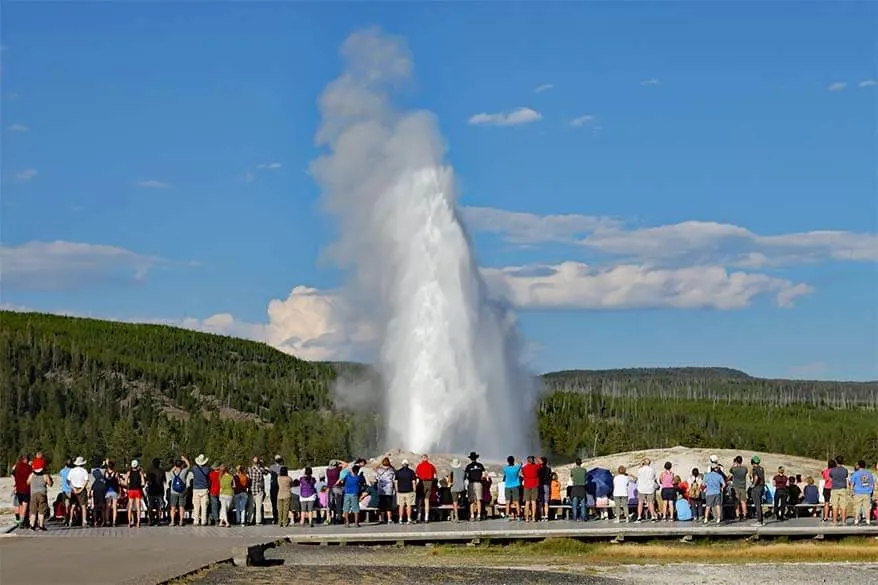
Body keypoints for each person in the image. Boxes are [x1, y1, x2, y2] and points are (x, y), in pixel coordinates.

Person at [27, 460, 52, 531]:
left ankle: (32, 526)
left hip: (33, 494)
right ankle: (41, 526)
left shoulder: (32, 475)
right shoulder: (45, 475)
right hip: (42, 494)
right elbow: (50, 484)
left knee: (33, 510)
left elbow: (27, 482)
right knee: (42, 510)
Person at [167, 457, 191, 527]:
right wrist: (185, 459)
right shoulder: (183, 472)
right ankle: (181, 521)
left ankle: (172, 521)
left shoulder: (172, 473)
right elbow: (189, 465)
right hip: (182, 492)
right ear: (181, 465)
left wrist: (175, 466)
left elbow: (170, 471)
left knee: (173, 507)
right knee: (181, 507)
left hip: (173, 492)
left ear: (175, 465)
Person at [849, 460, 875, 526]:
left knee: (857, 507)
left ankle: (856, 521)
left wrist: (851, 491)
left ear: (858, 466)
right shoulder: (869, 473)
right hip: (867, 492)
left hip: (858, 492)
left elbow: (852, 484)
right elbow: (872, 484)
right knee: (867, 508)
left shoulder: (855, 473)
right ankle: (868, 521)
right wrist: (871, 492)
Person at [67, 456, 90, 527]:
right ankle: (84, 521)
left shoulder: (72, 470)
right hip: (81, 488)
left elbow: (68, 481)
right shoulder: (84, 471)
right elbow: (86, 481)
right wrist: (82, 489)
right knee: (83, 506)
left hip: (74, 488)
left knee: (73, 505)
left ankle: (70, 520)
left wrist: (73, 488)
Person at [464, 452, 486, 522]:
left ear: (470, 458)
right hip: (479, 483)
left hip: (471, 483)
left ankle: (472, 515)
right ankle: (479, 515)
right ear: (476, 458)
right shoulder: (480, 465)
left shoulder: (468, 466)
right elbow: (484, 475)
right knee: (479, 499)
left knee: (471, 500)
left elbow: (466, 476)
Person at [191, 454, 211, 526]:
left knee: (196, 506)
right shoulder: (207, 469)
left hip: (196, 489)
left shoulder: (194, 468)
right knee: (204, 506)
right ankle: (203, 521)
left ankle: (196, 521)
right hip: (204, 489)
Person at [415, 454, 437, 523]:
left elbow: (416, 476)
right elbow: (435, 476)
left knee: (420, 500)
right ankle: (426, 517)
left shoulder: (419, 466)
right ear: (427, 459)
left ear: (422, 459)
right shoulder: (431, 466)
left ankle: (419, 516)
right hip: (429, 483)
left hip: (422, 483)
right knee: (427, 500)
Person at [13, 454, 32, 530]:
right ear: (26, 460)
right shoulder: (28, 467)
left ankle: (19, 520)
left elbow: (13, 474)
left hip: (18, 489)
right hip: (26, 489)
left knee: (20, 505)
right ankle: (22, 521)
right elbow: (32, 476)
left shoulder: (17, 466)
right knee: (25, 506)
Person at [829, 456, 850, 526]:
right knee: (843, 506)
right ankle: (844, 521)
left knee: (835, 506)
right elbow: (846, 476)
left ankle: (835, 521)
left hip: (834, 488)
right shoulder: (845, 470)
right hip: (843, 488)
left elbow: (830, 477)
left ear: (836, 461)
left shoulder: (832, 470)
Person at [125, 460, 146, 528]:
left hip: (131, 490)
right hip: (138, 490)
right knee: (138, 507)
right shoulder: (140, 473)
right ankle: (138, 522)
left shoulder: (129, 472)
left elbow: (126, 482)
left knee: (130, 507)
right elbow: (143, 482)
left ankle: (129, 522)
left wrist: (128, 485)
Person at [395, 459, 417, 524]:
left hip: (400, 491)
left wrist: (396, 489)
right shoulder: (411, 472)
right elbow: (413, 482)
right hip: (409, 491)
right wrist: (414, 489)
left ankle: (400, 519)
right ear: (408, 465)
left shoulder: (398, 472)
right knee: (409, 505)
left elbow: (396, 482)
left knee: (401, 506)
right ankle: (409, 519)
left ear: (402, 465)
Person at [636, 458, 657, 522]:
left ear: (643, 463)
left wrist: (640, 465)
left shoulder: (640, 469)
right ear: (649, 463)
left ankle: (639, 516)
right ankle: (653, 516)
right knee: (650, 503)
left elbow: (638, 474)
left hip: (641, 488)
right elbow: (654, 477)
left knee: (640, 502)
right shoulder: (652, 470)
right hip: (650, 488)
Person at [146, 458, 165, 526]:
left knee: (150, 506)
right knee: (159, 506)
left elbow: (147, 480)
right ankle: (158, 520)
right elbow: (164, 480)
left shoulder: (149, 471)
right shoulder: (162, 471)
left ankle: (151, 520)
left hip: (151, 490)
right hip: (159, 490)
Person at [521, 456, 541, 522]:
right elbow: (540, 463)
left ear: (527, 461)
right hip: (534, 485)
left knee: (527, 502)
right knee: (533, 502)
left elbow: (523, 474)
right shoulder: (536, 467)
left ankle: (526, 518)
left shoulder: (524, 468)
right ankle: (533, 517)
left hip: (527, 486)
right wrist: (537, 458)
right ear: (533, 460)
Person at [247, 457, 266, 525]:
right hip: (258, 490)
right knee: (258, 507)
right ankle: (258, 521)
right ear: (258, 463)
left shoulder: (249, 469)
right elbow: (263, 476)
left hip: (251, 490)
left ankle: (249, 520)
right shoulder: (260, 470)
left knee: (250, 507)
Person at [503, 456, 522, 521]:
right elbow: (520, 464)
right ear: (513, 461)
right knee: (517, 501)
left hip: (507, 486)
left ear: (507, 461)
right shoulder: (516, 468)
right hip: (515, 486)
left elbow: (505, 474)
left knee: (507, 502)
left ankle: (507, 515)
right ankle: (519, 515)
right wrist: (518, 462)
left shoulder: (505, 468)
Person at [729, 456, 748, 521]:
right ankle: (745, 515)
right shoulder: (745, 469)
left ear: (736, 461)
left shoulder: (734, 469)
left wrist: (734, 464)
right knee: (743, 502)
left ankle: (738, 515)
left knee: (736, 502)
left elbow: (730, 470)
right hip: (743, 487)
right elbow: (746, 471)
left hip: (736, 487)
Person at [749, 456, 766, 527]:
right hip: (762, 487)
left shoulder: (754, 469)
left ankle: (759, 521)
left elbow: (756, 477)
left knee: (757, 504)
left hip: (757, 488)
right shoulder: (761, 468)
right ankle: (761, 520)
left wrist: (753, 484)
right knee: (759, 504)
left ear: (752, 462)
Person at [104, 460, 121, 527]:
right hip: (114, 491)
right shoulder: (116, 473)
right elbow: (118, 482)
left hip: (107, 491)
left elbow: (104, 480)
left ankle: (107, 521)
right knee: (114, 507)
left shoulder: (105, 472)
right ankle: (114, 521)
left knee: (108, 507)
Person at [449, 457, 466, 522]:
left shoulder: (451, 470)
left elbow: (450, 481)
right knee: (461, 500)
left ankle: (456, 517)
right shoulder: (462, 470)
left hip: (454, 488)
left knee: (455, 502)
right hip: (462, 487)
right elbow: (464, 478)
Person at [538, 457, 552, 522]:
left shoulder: (539, 469)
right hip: (546, 485)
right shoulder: (549, 469)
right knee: (546, 502)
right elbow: (550, 477)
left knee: (541, 502)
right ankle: (546, 516)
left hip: (541, 485)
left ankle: (541, 516)